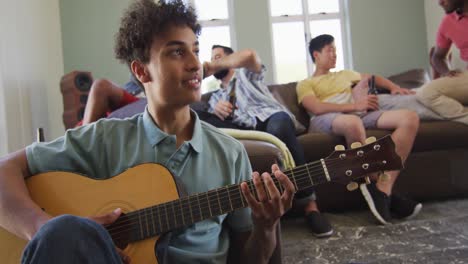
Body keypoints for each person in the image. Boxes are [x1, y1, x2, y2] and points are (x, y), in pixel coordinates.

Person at [0, 1, 296, 263]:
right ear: (141, 72)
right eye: (177, 52)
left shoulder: (229, 154)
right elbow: (4, 170)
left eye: (195, 50)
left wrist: (266, 227)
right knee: (62, 232)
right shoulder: (104, 138)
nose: (196, 64)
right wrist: (43, 228)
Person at [202, 45, 333, 237]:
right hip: (246, 131)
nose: (215, 61)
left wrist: (210, 66)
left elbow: (250, 55)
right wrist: (216, 110)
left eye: (219, 57)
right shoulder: (214, 97)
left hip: (270, 119)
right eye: (213, 58)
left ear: (231, 59)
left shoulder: (246, 74)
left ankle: (310, 206)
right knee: (200, 118)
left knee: (278, 126)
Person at [296, 34, 422, 225]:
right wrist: (355, 106)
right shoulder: (306, 83)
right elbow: (316, 108)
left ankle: (383, 188)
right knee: (353, 123)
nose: (334, 54)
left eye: (335, 50)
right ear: (316, 54)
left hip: (357, 114)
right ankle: (376, 184)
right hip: (326, 119)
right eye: (329, 50)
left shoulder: (345, 74)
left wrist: (394, 87)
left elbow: (373, 78)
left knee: (410, 118)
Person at [416, 0, 468, 125]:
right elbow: (437, 57)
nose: (439, 2)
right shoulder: (448, 22)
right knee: (425, 93)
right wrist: (447, 71)